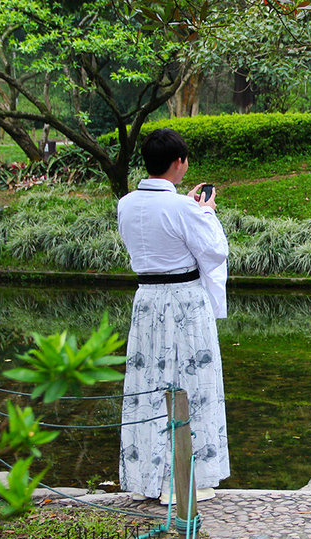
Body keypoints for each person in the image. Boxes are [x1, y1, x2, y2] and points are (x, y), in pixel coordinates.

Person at [117, 128, 230, 504]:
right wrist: (207, 212)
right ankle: (186, 481)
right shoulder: (185, 207)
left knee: (149, 383)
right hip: (183, 300)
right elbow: (215, 251)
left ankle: (150, 476)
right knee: (190, 385)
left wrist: (191, 208)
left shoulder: (126, 204)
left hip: (146, 299)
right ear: (179, 162)